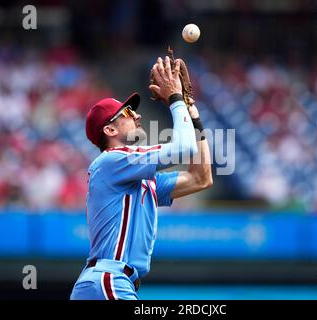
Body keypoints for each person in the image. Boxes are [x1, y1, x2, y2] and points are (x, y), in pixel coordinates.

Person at [70, 56, 213, 300]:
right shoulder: (112, 160)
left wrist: (191, 114)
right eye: (127, 112)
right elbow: (182, 149)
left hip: (106, 283)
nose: (136, 116)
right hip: (109, 280)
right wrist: (175, 99)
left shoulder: (139, 179)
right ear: (110, 130)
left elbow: (200, 178)